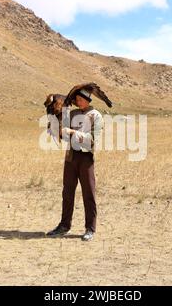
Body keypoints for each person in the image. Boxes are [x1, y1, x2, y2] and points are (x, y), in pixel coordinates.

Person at [47, 89, 104, 241]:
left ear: (87, 100)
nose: (76, 102)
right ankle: (64, 226)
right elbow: (64, 134)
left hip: (86, 157)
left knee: (89, 193)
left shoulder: (96, 116)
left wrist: (72, 132)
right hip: (70, 157)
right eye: (76, 99)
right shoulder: (73, 114)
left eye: (79, 99)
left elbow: (92, 139)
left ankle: (90, 228)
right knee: (67, 192)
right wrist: (55, 126)